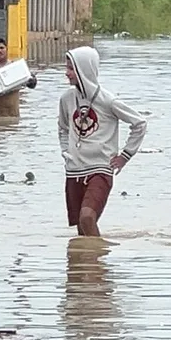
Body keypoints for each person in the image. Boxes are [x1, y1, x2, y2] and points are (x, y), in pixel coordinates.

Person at [58, 46, 148, 237]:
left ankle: (98, 260)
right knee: (81, 229)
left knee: (87, 217)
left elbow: (139, 123)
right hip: (74, 169)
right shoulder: (66, 99)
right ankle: (86, 265)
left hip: (100, 168)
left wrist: (125, 156)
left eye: (71, 68)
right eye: (66, 68)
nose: (67, 73)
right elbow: (63, 128)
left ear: (84, 69)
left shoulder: (108, 100)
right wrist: (66, 151)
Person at [0, 38, 38, 118]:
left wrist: (32, 80)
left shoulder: (16, 67)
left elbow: (32, 85)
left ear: (6, 49)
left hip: (13, 116)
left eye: (2, 48)